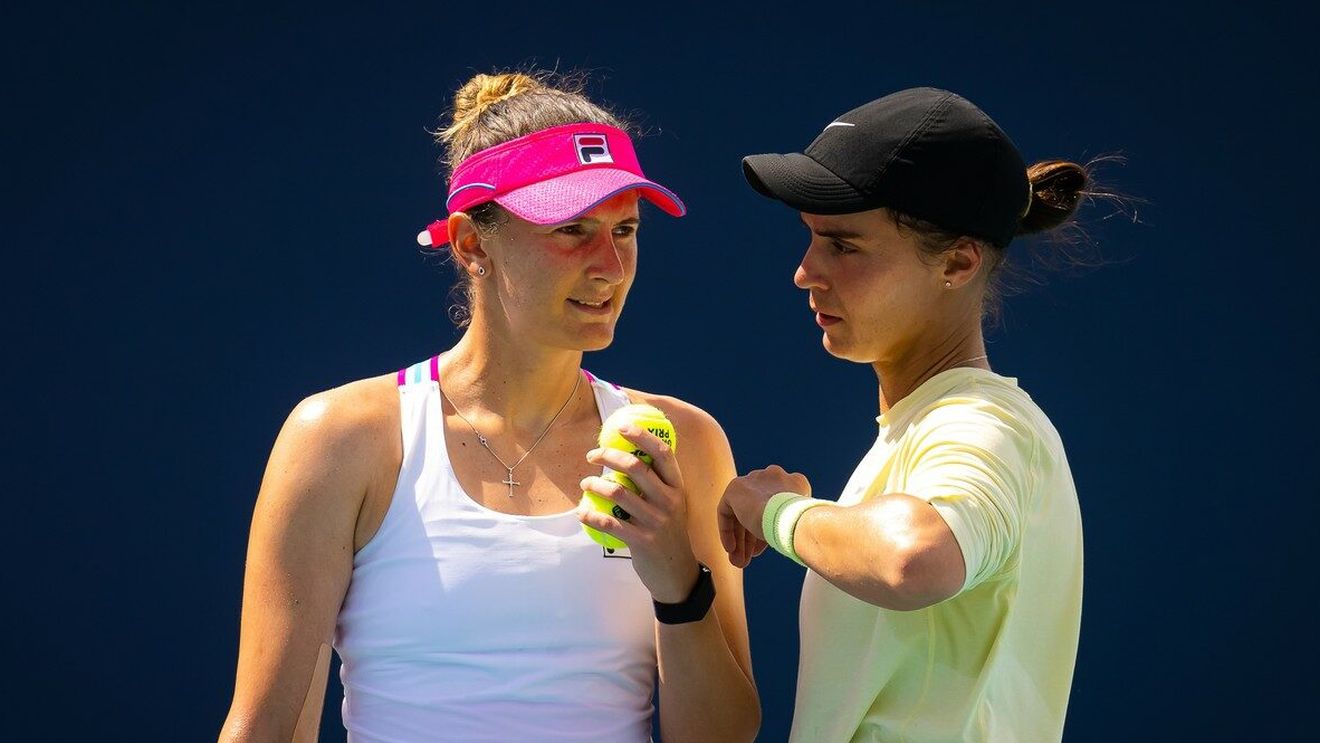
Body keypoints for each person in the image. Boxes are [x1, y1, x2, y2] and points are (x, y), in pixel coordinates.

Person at [219, 71, 759, 743]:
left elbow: (724, 735)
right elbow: (266, 729)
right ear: (472, 242)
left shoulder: (687, 440)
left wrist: (680, 582)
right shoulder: (341, 437)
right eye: (572, 229)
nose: (611, 267)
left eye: (625, 229)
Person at [716, 87, 1091, 742]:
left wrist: (776, 510)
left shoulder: (986, 421)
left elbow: (914, 557)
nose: (805, 271)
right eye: (810, 238)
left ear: (957, 260)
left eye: (844, 245)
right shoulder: (932, 427)